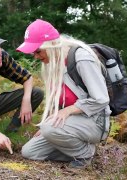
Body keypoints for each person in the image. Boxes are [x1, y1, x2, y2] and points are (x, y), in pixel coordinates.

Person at [17, 19, 111, 168]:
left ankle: (84, 154)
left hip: (95, 121)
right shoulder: (53, 63)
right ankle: (79, 149)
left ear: (53, 44)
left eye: (38, 51)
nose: (35, 56)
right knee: (30, 152)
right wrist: (49, 129)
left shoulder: (81, 58)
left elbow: (101, 99)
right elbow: (60, 101)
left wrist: (63, 115)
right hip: (72, 122)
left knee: (49, 128)